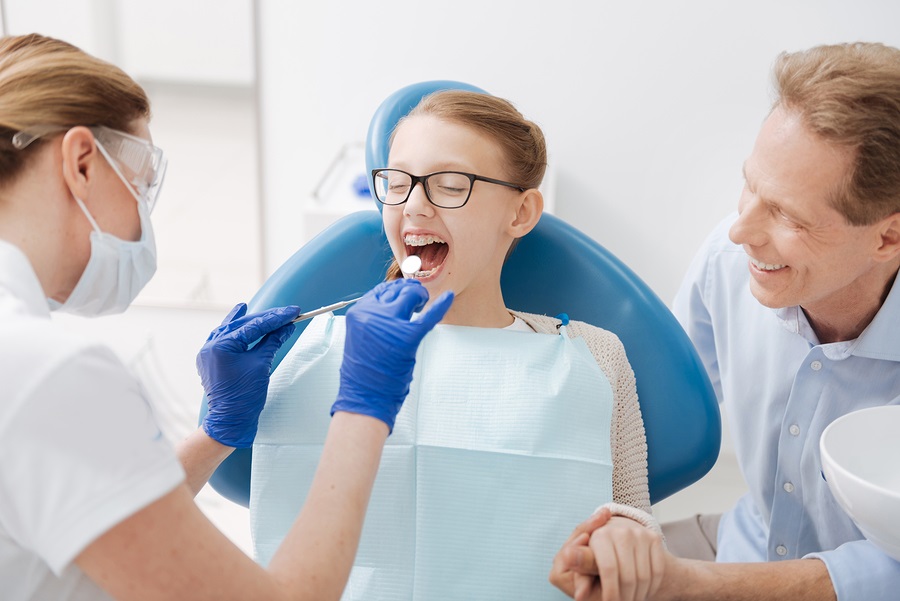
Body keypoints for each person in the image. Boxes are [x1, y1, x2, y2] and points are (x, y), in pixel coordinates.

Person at [0, 33, 451, 601]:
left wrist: (214, 435)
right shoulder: (49, 375)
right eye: (142, 185)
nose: (143, 220)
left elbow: (97, 517)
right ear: (82, 163)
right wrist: (364, 404)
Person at [250, 89, 660, 600]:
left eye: (449, 185)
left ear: (521, 212)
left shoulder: (592, 357)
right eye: (396, 184)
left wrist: (624, 534)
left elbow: (634, 518)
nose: (413, 205)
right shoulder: (313, 351)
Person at [550, 42, 900, 601]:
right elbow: (646, 426)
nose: (742, 231)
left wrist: (688, 584)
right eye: (750, 186)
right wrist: (617, 526)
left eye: (787, 214)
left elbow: (888, 572)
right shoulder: (728, 263)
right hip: (740, 543)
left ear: (887, 237)